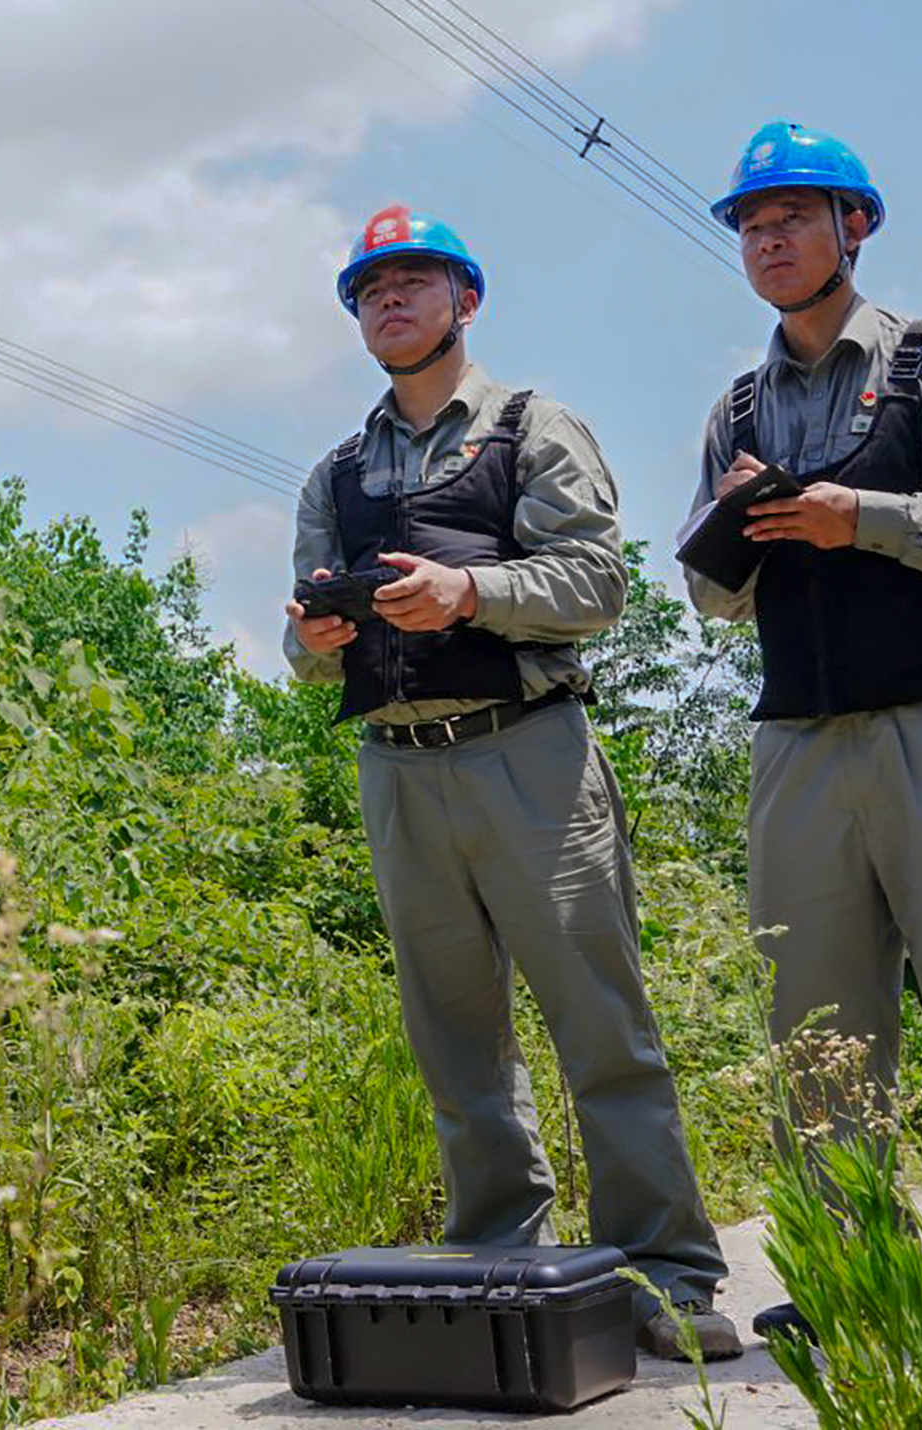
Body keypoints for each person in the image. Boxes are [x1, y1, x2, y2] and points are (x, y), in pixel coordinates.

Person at [286, 204, 736, 1360]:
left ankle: (670, 1273)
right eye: (370, 289)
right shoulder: (335, 471)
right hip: (396, 767)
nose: (390, 301)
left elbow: (598, 580)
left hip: (527, 749)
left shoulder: (533, 426)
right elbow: (296, 633)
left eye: (413, 282)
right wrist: (315, 640)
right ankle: (500, 1259)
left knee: (600, 1022)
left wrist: (468, 594)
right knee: (454, 1040)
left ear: (465, 298)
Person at [687, 123, 922, 1342]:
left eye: (793, 214)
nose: (769, 239)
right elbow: (709, 594)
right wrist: (748, 524)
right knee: (818, 1032)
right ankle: (856, 1286)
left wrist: (872, 517)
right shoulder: (735, 404)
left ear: (858, 223)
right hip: (798, 736)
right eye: (750, 223)